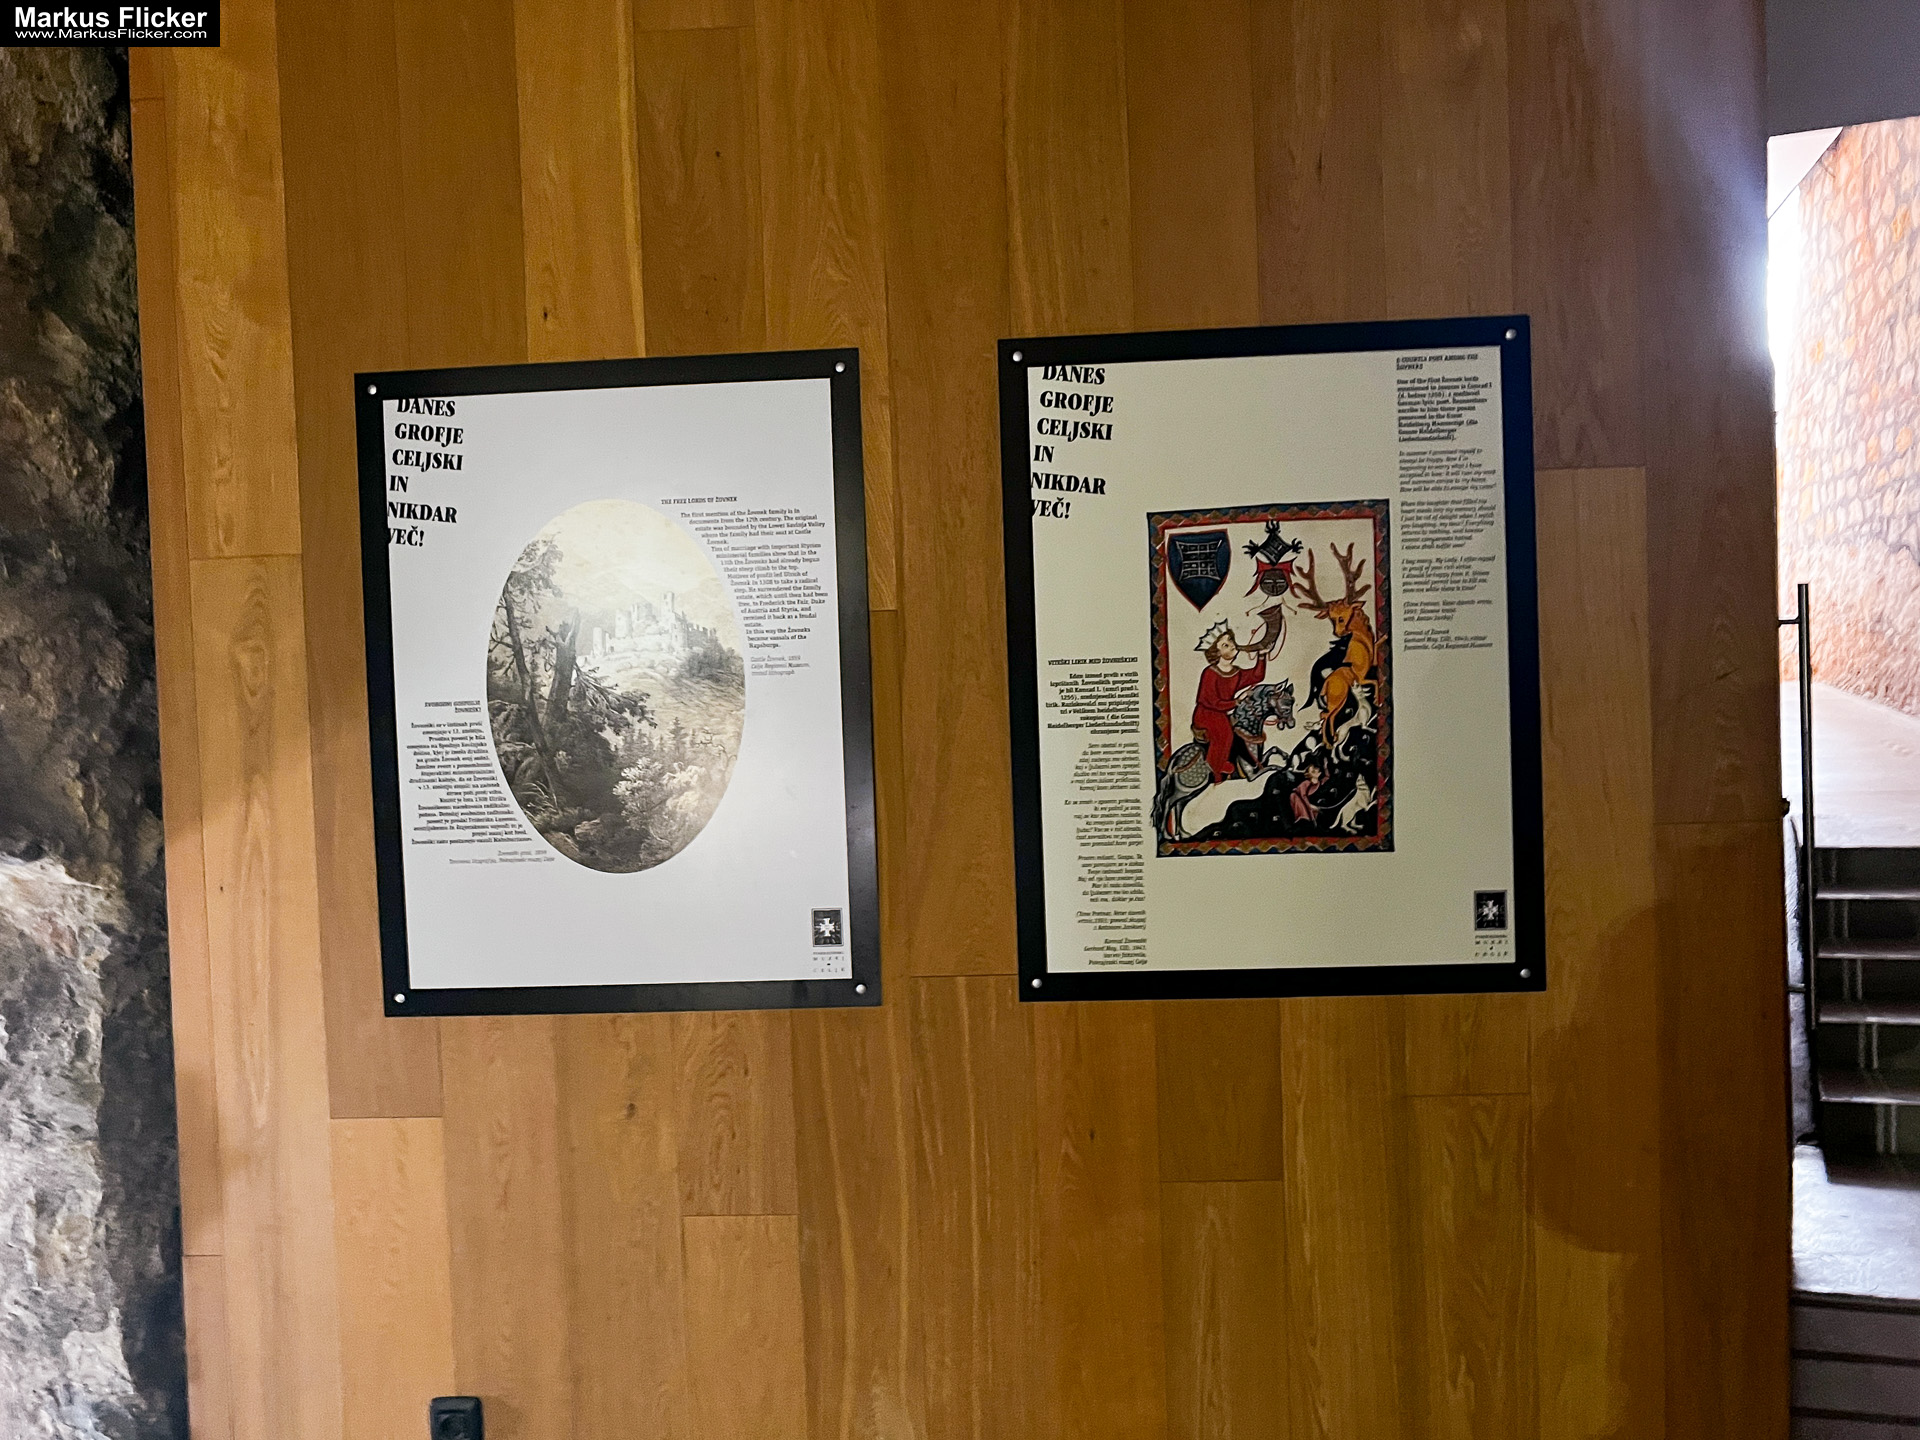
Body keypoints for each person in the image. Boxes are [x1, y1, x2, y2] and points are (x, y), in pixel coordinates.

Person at [1190, 621, 1266, 781]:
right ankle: (1215, 767)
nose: (1232, 645)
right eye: (1225, 645)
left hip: (1221, 712)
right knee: (1225, 733)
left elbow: (1256, 676)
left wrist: (1261, 656)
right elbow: (1211, 702)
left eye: (1231, 641)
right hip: (1206, 713)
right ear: (1216, 652)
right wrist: (1236, 702)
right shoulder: (1210, 673)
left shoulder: (1235, 672)